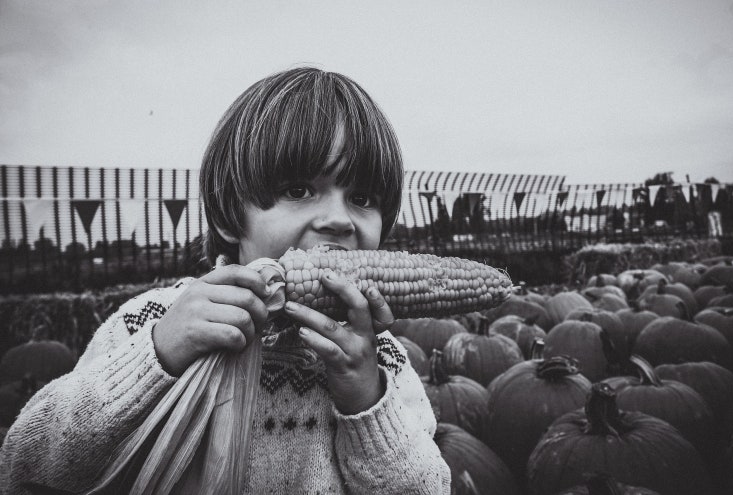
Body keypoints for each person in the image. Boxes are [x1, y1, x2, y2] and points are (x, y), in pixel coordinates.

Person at [0, 67, 451, 493]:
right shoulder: (152, 321)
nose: (339, 219)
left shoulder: (384, 359)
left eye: (362, 197)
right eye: (299, 190)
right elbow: (25, 464)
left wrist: (365, 399)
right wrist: (159, 356)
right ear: (232, 215)